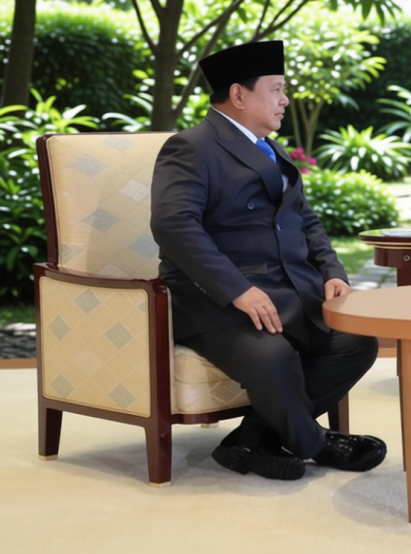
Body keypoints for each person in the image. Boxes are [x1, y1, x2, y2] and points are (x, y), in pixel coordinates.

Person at [150, 41, 385, 481]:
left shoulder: (270, 149)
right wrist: (237, 290)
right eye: (277, 89)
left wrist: (331, 271)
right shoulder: (191, 147)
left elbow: (305, 220)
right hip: (216, 303)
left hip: (287, 292)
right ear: (239, 95)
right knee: (274, 356)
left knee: (356, 343)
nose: (285, 100)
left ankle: (251, 440)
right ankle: (317, 443)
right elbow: (173, 225)